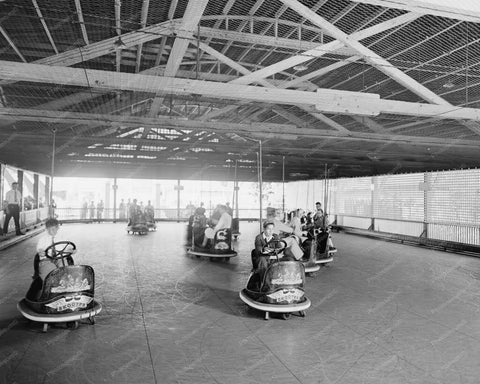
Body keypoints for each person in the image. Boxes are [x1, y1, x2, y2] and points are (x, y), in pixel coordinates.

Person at [26, 218, 75, 300]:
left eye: (53, 229)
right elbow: (39, 249)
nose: (51, 231)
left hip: (60, 258)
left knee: (64, 271)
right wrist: (40, 252)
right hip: (46, 260)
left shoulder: (63, 237)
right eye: (49, 229)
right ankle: (52, 294)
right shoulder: (42, 239)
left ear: (57, 227)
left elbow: (69, 248)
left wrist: (72, 250)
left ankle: (66, 292)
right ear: (46, 229)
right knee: (51, 273)